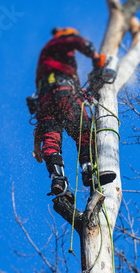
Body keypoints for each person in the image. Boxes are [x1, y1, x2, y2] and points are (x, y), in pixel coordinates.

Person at [33, 27, 116, 199]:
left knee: (51, 140)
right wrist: (94, 58)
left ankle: (58, 181)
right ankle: (88, 171)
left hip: (44, 102)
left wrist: (86, 93)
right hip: (63, 91)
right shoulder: (60, 41)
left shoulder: (48, 58)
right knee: (83, 130)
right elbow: (76, 41)